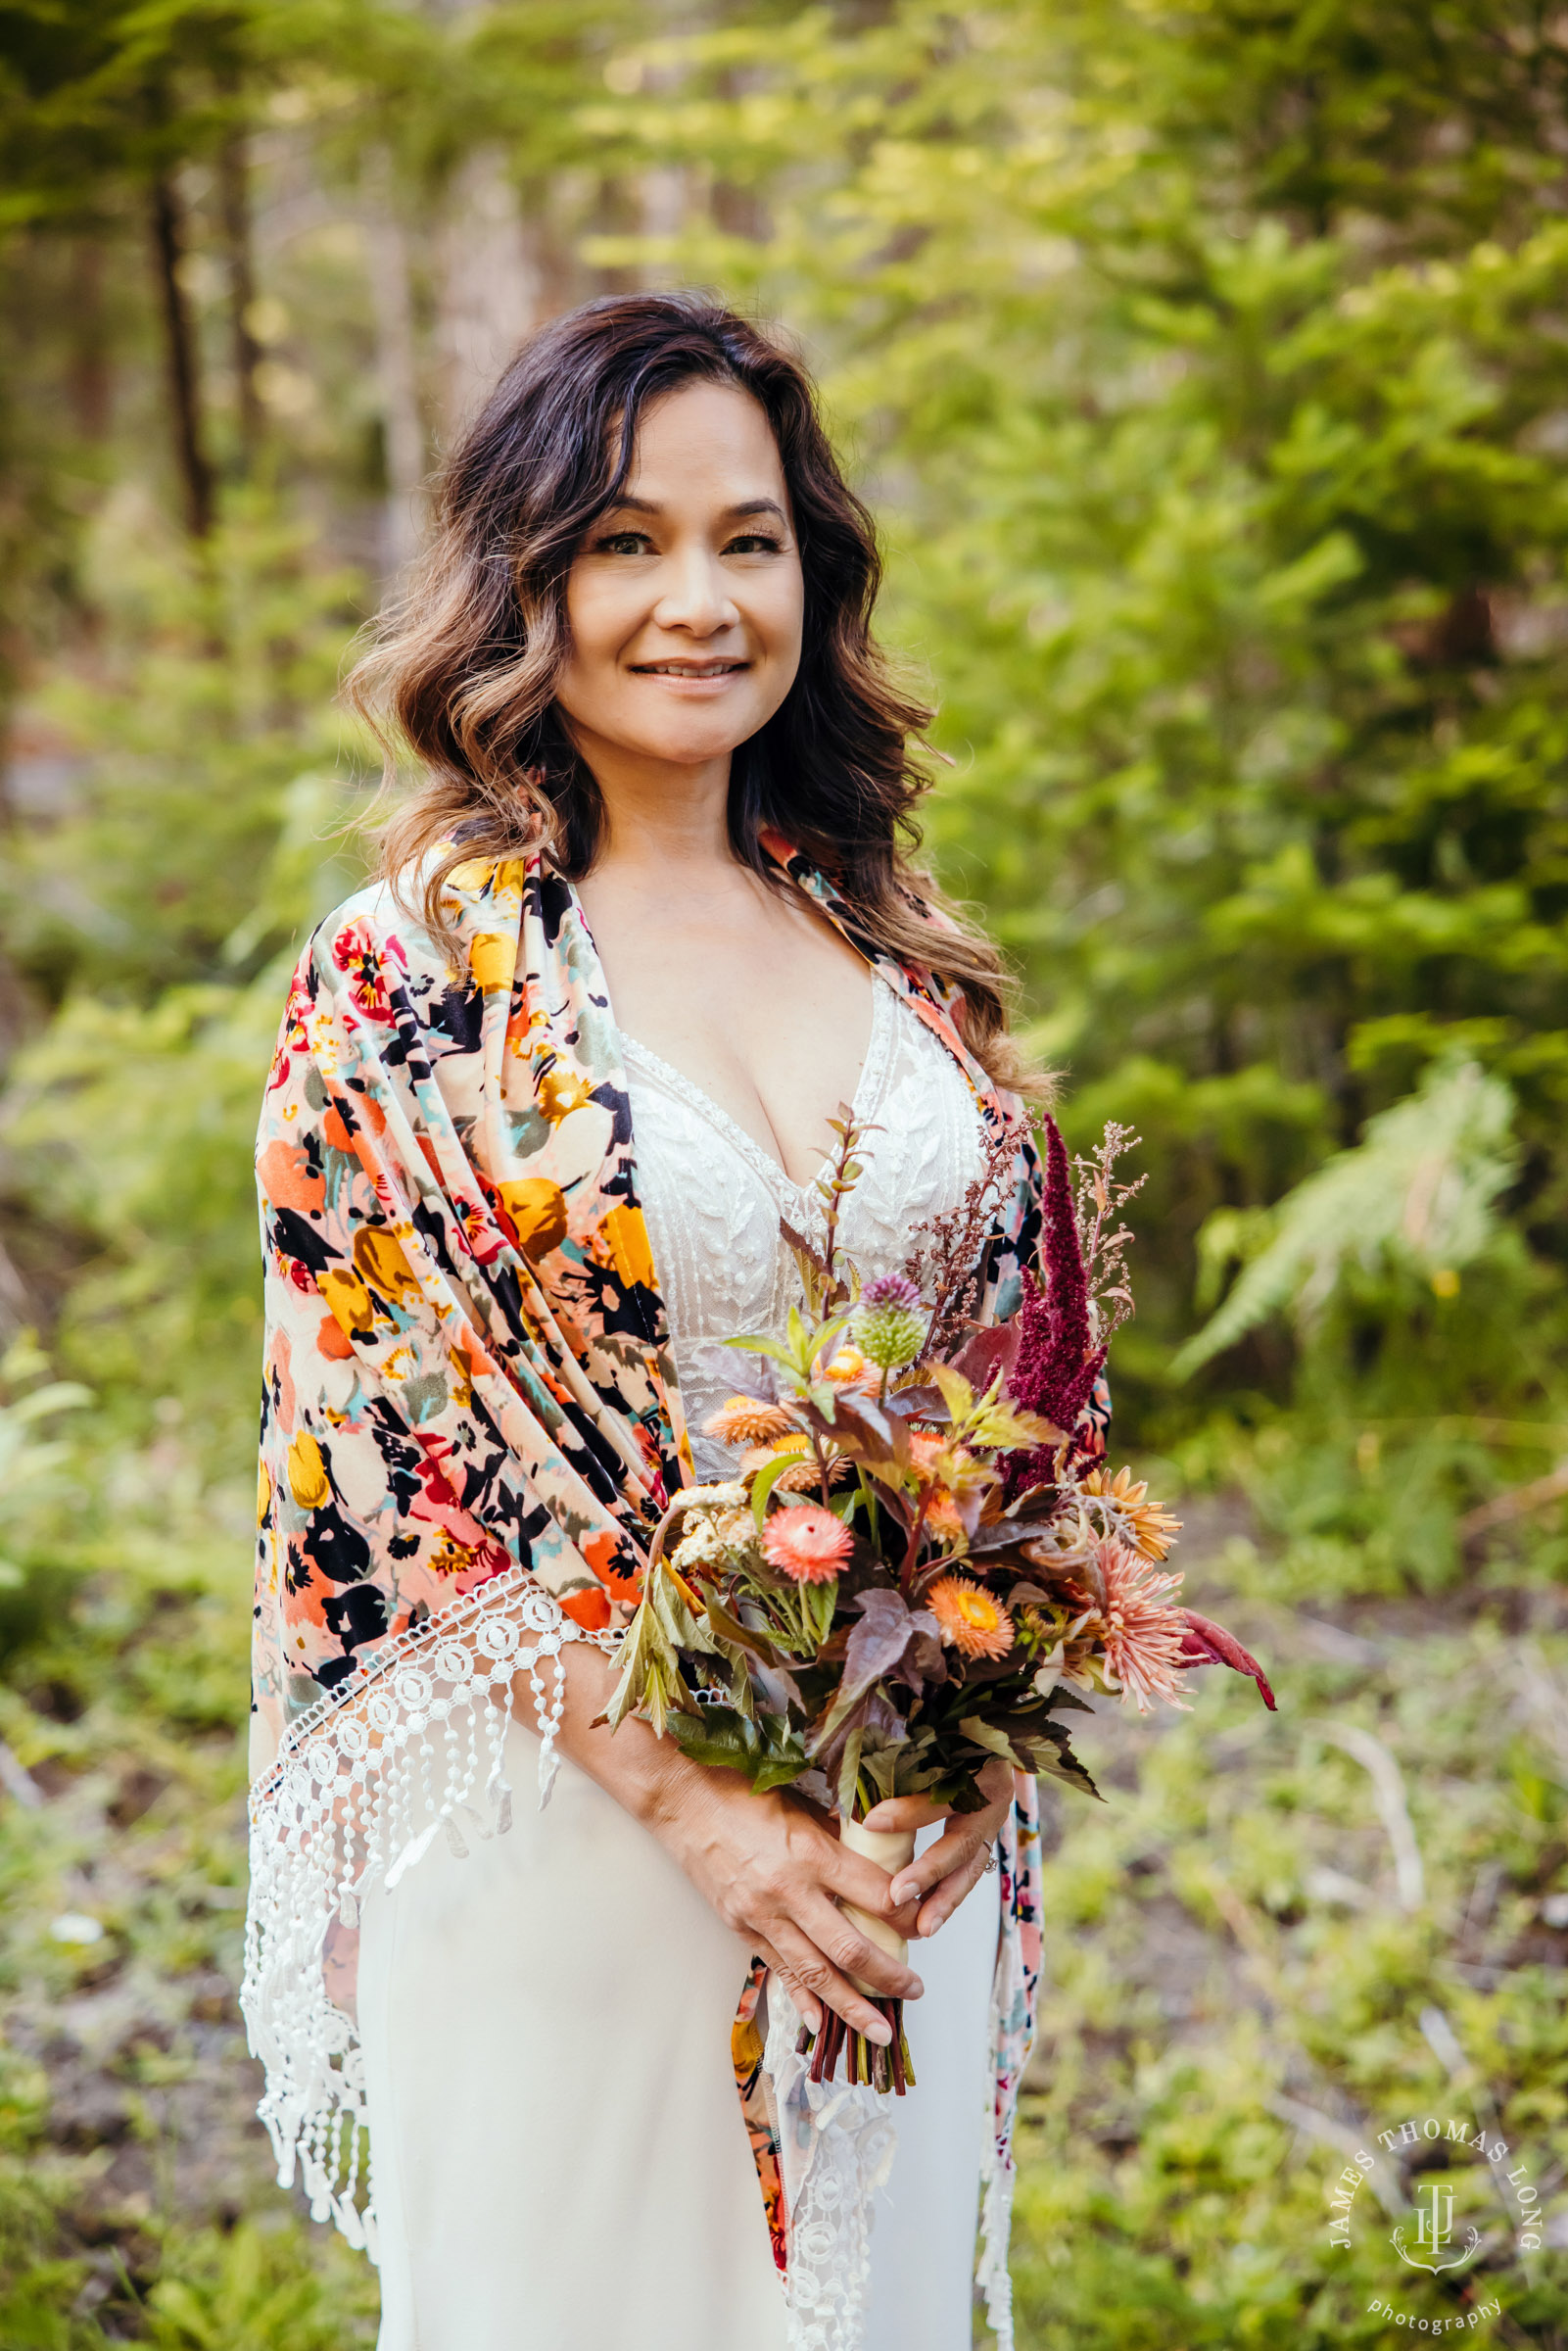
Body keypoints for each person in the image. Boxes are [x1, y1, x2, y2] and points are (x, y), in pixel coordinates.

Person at [244, 293, 1045, 2351]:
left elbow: (1021, 1402)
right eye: (626, 540)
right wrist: (709, 1817)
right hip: (579, 1841)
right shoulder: (414, 975)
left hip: (877, 1856)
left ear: (815, 570)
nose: (697, 601)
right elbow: (383, 1468)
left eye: (749, 539)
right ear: (527, 577)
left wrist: (972, 1733)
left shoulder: (895, 943)